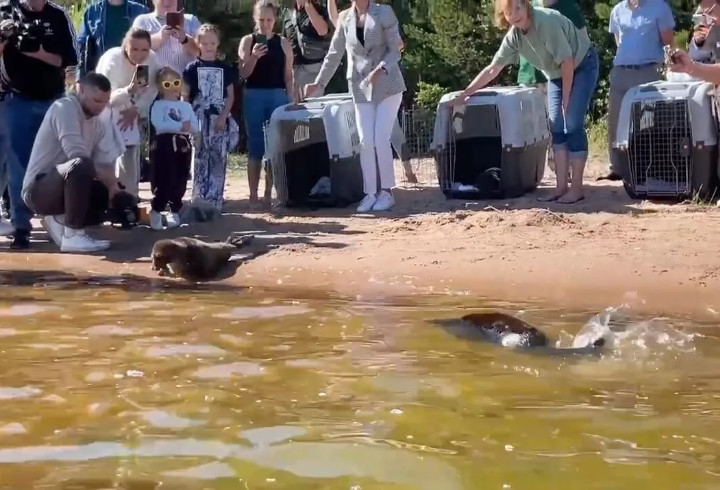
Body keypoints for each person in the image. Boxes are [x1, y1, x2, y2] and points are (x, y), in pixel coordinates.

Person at [451, 0, 598, 204]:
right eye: (509, 12)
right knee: (556, 125)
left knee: (571, 122)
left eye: (518, 8)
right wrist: (466, 93)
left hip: (581, 65)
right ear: (504, 15)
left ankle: (577, 188)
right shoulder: (514, 37)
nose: (515, 15)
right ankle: (561, 187)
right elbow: (493, 68)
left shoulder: (545, 21)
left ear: (526, 6)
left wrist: (566, 100)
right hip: (556, 74)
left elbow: (567, 61)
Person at [305, 0, 406, 213]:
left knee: (380, 138)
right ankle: (371, 193)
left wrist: (381, 68)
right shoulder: (345, 18)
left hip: (387, 83)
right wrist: (319, 83)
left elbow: (396, 49)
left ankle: (387, 192)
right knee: (365, 141)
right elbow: (334, 54)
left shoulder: (384, 12)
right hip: (360, 86)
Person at [1, 0, 79, 249]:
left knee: (58, 162)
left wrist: (38, 53)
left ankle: (60, 222)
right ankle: (21, 227)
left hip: (52, 100)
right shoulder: (5, 10)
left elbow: (67, 59)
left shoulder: (58, 15)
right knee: (18, 165)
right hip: (17, 99)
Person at [22, 73, 126, 253]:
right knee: (81, 164)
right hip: (37, 190)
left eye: (105, 101)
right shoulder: (64, 108)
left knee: (102, 193)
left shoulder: (98, 124)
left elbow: (104, 164)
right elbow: (76, 154)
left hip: (64, 182)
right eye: (96, 100)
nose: (101, 107)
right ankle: (72, 235)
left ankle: (58, 220)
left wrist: (114, 189)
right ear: (80, 89)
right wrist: (99, 173)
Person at [600, 0, 675, 181]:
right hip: (621, 70)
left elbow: (668, 42)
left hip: (648, 71)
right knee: (616, 120)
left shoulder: (659, 7)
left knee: (647, 122)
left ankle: (647, 166)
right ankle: (617, 167)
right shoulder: (618, 10)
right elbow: (619, 41)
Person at [516, 0, 586, 175]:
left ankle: (564, 172)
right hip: (529, 76)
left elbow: (582, 39)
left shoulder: (567, 6)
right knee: (530, 129)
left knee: (560, 125)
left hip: (557, 76)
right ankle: (529, 171)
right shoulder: (524, 6)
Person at [238, 0, 295, 204]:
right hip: (254, 95)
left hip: (278, 96)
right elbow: (243, 73)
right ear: (255, 19)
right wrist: (253, 57)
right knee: (255, 145)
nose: (265, 24)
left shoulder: (283, 43)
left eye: (269, 19)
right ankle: (253, 195)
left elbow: (288, 76)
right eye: (261, 19)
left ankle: (268, 193)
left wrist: (291, 100)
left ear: (275, 20)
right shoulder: (248, 41)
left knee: (275, 147)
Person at [95, 27, 160, 198]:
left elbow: (150, 90)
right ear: (126, 47)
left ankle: (130, 197)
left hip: (132, 114)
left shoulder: (151, 60)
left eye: (144, 49)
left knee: (130, 153)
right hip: (105, 111)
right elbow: (106, 96)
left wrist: (136, 109)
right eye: (135, 49)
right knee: (105, 157)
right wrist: (129, 90)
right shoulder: (112, 59)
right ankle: (105, 196)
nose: (139, 54)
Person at [183, 24, 239, 212]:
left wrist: (223, 116)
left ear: (218, 44)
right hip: (198, 118)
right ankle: (198, 198)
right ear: (198, 43)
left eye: (212, 43)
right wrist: (188, 117)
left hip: (218, 118)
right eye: (204, 42)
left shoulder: (225, 68)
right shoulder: (191, 68)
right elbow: (185, 95)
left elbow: (230, 95)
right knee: (199, 156)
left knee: (217, 156)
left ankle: (215, 199)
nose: (208, 46)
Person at [148, 66, 199, 230]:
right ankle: (157, 208)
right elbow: (160, 125)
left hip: (182, 144)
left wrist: (186, 127)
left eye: (176, 82)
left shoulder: (186, 106)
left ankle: (174, 209)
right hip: (164, 144)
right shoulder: (157, 105)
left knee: (181, 176)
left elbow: (195, 126)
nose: (173, 86)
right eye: (167, 83)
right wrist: (180, 126)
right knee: (164, 176)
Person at [76, 0, 151, 78]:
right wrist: (80, 78)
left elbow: (149, 48)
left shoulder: (141, 11)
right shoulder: (92, 12)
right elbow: (82, 46)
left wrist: (143, 80)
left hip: (135, 74)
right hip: (103, 74)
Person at [131, 0, 201, 75]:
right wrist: (159, 37)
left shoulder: (191, 21)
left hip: (186, 82)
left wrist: (185, 39)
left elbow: (203, 52)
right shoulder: (142, 21)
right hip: (153, 82)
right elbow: (134, 52)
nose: (167, 1)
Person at [282, 0, 332, 101]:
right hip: (294, 71)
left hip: (313, 71)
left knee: (313, 110)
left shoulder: (319, 10)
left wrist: (308, 6)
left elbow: (323, 31)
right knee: (295, 112)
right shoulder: (288, 13)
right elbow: (285, 40)